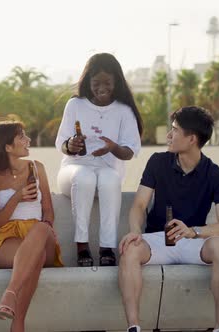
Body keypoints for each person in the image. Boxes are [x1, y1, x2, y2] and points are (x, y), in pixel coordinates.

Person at [118, 106, 219, 332]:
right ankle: (133, 327)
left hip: (193, 241)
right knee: (130, 249)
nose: (169, 136)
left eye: (174, 130)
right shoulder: (158, 162)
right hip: (157, 240)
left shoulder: (217, 175)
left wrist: (193, 231)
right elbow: (139, 205)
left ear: (191, 139)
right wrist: (135, 231)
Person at [55, 53, 143, 267]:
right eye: (96, 83)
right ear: (88, 82)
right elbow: (61, 144)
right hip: (74, 171)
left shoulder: (124, 110)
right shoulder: (75, 104)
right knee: (84, 176)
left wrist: (113, 147)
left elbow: (129, 152)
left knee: (110, 179)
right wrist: (71, 145)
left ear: (116, 83)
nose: (101, 88)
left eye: (107, 83)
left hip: (107, 172)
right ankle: (82, 246)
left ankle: (107, 248)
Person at [0, 120, 63, 332]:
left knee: (42, 228)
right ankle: (18, 324)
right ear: (7, 146)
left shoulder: (36, 168)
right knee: (36, 256)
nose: (28, 140)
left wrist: (42, 231)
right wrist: (17, 198)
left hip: (40, 234)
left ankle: (11, 292)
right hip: (8, 237)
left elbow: (48, 212)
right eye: (22, 137)